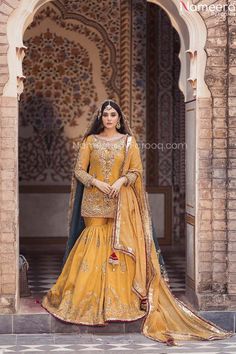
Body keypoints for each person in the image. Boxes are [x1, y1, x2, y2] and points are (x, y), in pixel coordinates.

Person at [41, 99, 233, 346]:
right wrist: (97, 183)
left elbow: (136, 172)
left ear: (119, 118)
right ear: (100, 118)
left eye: (113, 114)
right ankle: (86, 301)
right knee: (94, 241)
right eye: (105, 114)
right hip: (94, 202)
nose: (109, 118)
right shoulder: (90, 141)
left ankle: (119, 304)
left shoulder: (128, 142)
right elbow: (79, 170)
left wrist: (121, 182)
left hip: (121, 202)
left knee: (117, 248)